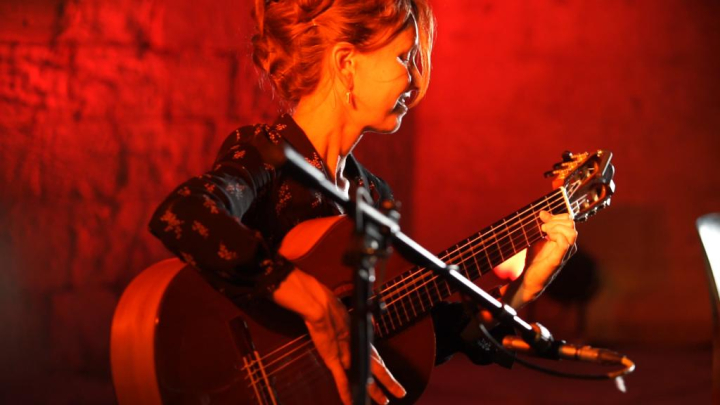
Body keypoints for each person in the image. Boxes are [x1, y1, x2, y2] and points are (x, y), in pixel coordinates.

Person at [149, 0, 578, 404]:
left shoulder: (372, 196)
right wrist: (316, 304)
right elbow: (183, 214)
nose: (415, 80)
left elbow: (416, 340)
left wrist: (522, 289)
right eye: (403, 58)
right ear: (346, 63)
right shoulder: (266, 154)